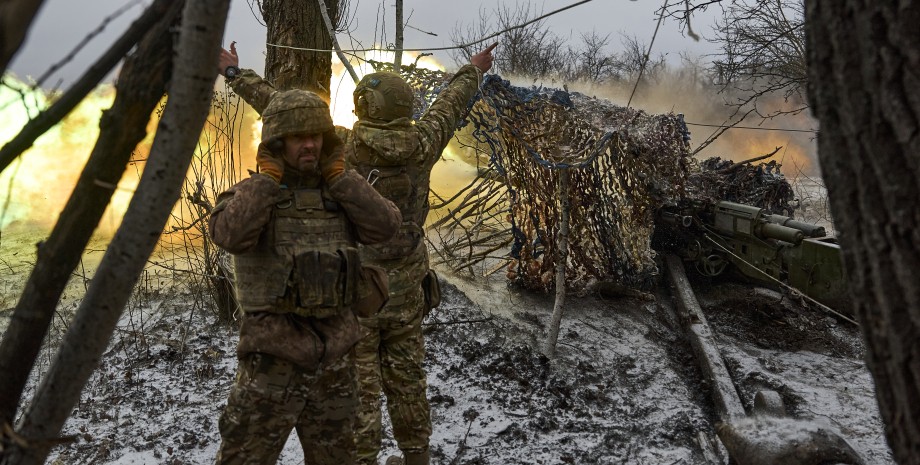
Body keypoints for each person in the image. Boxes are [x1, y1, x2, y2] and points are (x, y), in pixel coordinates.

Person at [217, 42, 496, 465]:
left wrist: (237, 76)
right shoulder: (424, 141)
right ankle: (416, 456)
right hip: (407, 292)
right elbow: (450, 103)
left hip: (357, 291)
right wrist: (474, 70)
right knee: (408, 381)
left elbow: (284, 110)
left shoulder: (344, 146)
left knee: (361, 393)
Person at [208, 85, 401, 464]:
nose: (309, 145)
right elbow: (229, 234)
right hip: (272, 364)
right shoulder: (254, 193)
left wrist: (342, 179)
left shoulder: (342, 193)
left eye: (315, 136)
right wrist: (266, 181)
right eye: (297, 137)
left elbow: (386, 227)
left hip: (335, 362)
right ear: (277, 143)